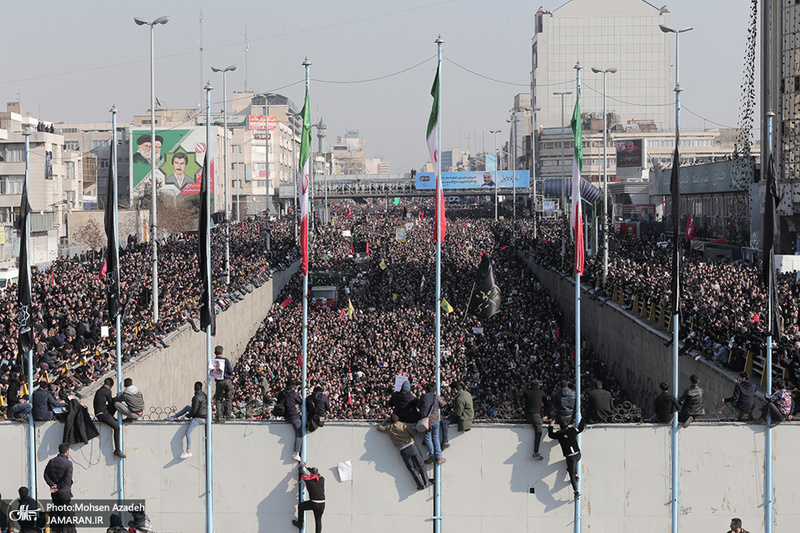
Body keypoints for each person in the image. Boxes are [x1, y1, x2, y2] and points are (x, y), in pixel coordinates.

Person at [377, 413, 431, 490]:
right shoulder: (403, 425)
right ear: (398, 418)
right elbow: (413, 433)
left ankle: (420, 484)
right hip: (412, 446)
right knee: (421, 464)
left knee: (412, 469)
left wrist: (385, 420)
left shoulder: (389, 428)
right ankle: (426, 481)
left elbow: (379, 427)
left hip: (403, 450)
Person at [548, 418, 586, 499]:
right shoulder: (572, 430)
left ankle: (576, 491)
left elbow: (551, 435)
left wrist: (551, 425)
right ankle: (576, 474)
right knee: (571, 467)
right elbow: (580, 429)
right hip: (578, 454)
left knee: (571, 472)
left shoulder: (559, 435)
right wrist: (582, 420)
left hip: (570, 457)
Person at [44, 443, 73, 531]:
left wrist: (52, 485)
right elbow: (67, 479)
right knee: (64, 514)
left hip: (55, 493)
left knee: (56, 512)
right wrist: (59, 487)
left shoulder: (51, 461)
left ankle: (56, 530)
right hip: (64, 492)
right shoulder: (68, 463)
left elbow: (45, 475)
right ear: (67, 451)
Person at [93, 377, 125, 458]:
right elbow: (111, 404)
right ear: (111, 385)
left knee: (115, 402)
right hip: (103, 414)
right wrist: (117, 398)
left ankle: (112, 419)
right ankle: (117, 450)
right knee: (117, 428)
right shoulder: (107, 391)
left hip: (99, 413)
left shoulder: (99, 390)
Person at [177, 381, 207, 459]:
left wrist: (188, 415)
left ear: (194, 388)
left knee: (188, 433)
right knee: (187, 407)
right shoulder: (204, 395)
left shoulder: (196, 397)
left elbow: (194, 411)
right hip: (203, 415)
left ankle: (188, 451)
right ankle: (175, 416)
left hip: (198, 417)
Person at [292, 462, 325, 533]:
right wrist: (307, 468)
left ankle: (300, 524)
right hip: (322, 504)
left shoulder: (309, 480)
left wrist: (300, 466)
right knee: (318, 521)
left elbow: (301, 474)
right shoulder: (322, 479)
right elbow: (316, 474)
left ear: (311, 474)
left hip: (314, 503)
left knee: (301, 506)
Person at [417, 382, 445, 464]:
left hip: (426, 421)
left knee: (427, 438)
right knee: (435, 438)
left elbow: (418, 406)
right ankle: (439, 456)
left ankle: (432, 456)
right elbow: (443, 404)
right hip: (435, 420)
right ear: (434, 391)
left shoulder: (423, 397)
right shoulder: (436, 397)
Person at [441, 381, 474, 448]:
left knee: (444, 422)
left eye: (452, 390)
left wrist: (449, 413)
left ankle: (445, 441)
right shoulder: (467, 393)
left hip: (464, 418)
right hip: (469, 415)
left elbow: (458, 413)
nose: (451, 392)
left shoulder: (459, 399)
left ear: (455, 389)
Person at [277, 380, 303, 461]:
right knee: (300, 434)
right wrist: (297, 393)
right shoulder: (293, 393)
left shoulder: (281, 393)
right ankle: (296, 453)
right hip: (293, 415)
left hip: (286, 416)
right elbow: (301, 402)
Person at [522, 379, 546, 459]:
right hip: (535, 414)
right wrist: (546, 415)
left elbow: (517, 396)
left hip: (526, 414)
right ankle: (536, 452)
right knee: (539, 431)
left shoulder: (526, 391)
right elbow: (547, 404)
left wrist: (519, 406)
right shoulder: (540, 392)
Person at [213, 345, 234, 423]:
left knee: (218, 399)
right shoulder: (226, 360)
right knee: (229, 399)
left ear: (214, 352)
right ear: (222, 352)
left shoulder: (213, 361)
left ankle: (219, 416)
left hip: (219, 381)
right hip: (227, 381)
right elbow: (230, 371)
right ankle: (228, 417)